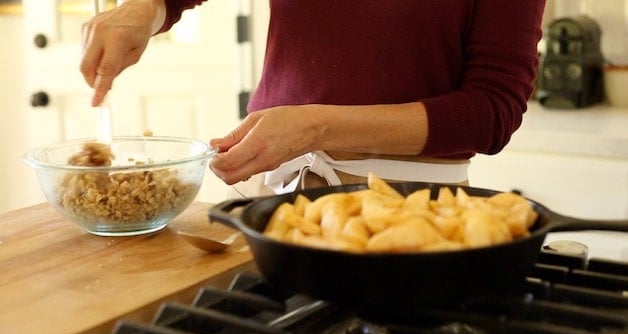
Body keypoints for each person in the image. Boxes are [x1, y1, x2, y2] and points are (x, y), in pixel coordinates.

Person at [81, 0, 546, 197]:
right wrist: (147, 8)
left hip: (411, 212)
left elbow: (491, 111)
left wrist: (315, 127)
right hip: (270, 198)